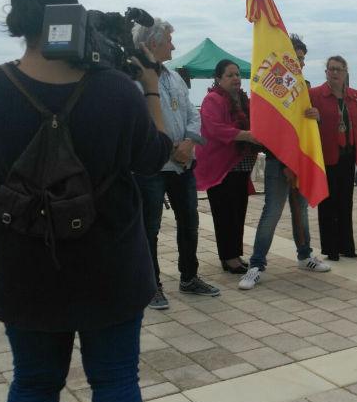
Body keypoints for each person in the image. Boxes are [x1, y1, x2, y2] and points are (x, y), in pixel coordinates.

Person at [0, 0, 170, 402]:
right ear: (72, 20)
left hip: (26, 272)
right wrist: (147, 86)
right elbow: (153, 157)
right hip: (111, 270)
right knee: (116, 381)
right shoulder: (117, 93)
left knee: (33, 385)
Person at [132, 18, 219, 310]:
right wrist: (170, 150)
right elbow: (138, 124)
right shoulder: (133, 78)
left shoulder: (174, 77)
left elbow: (193, 116)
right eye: (169, 40)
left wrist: (189, 143)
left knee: (190, 223)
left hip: (183, 166)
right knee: (149, 228)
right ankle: (150, 285)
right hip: (151, 168)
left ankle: (189, 277)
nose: (173, 45)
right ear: (154, 42)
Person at [239, 34, 331, 289]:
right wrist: (284, 163)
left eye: (302, 59)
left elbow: (307, 127)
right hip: (277, 162)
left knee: (300, 211)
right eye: (296, 59)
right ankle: (256, 265)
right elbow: (269, 130)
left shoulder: (305, 87)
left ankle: (305, 255)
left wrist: (317, 116)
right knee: (272, 213)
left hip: (300, 160)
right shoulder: (272, 88)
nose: (300, 64)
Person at [195, 59, 259, 274]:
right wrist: (246, 135)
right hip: (220, 168)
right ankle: (228, 257)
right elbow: (215, 129)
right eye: (230, 75)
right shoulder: (212, 99)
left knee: (239, 212)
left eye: (238, 74)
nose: (236, 79)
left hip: (241, 165)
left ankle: (235, 254)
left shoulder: (243, 100)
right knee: (224, 213)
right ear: (219, 78)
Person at [310, 56, 357, 260]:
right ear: (326, 72)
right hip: (327, 156)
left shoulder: (355, 96)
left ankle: (347, 245)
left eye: (338, 69)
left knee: (345, 202)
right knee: (328, 204)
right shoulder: (315, 95)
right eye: (331, 69)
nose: (334, 73)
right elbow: (306, 124)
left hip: (348, 155)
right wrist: (314, 117)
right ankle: (331, 248)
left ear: (346, 72)